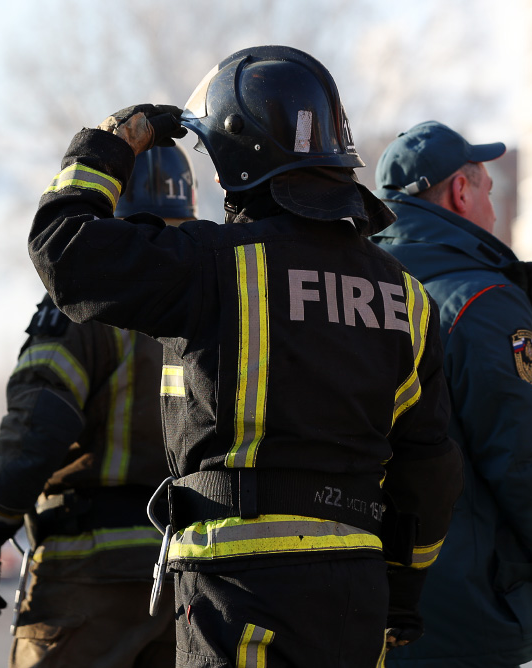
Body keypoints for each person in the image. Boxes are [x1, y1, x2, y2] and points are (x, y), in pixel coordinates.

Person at [27, 45, 463, 668]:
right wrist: (400, 593)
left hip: (240, 597)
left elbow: (63, 248)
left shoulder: (217, 265)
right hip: (356, 597)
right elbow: (433, 472)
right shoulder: (407, 298)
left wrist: (106, 147)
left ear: (236, 153)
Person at [371, 121, 532, 667]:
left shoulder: (358, 290)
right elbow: (523, 455)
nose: (494, 206)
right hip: (456, 606)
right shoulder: (480, 298)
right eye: (487, 188)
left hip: (357, 596)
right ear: (461, 192)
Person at [0, 145, 198, 668]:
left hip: (90, 582)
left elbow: (40, 428)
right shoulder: (224, 293)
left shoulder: (88, 297)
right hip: (195, 585)